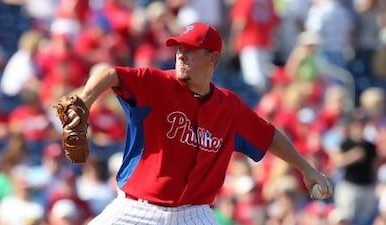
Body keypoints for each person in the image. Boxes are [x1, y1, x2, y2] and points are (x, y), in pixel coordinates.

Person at [59, 22, 333, 225]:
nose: (181, 54)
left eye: (190, 49)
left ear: (213, 58)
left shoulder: (229, 107)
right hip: (136, 209)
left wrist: (306, 169)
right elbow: (110, 74)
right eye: (179, 48)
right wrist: (84, 100)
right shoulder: (155, 84)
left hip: (194, 214)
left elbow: (269, 136)